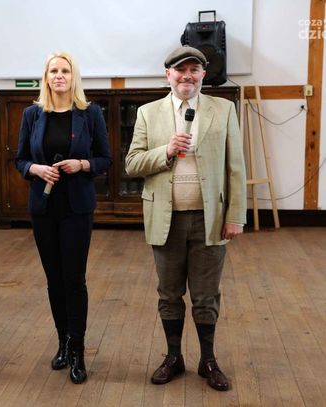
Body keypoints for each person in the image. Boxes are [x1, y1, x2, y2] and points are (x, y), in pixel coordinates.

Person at [125, 46, 246, 391]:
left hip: (211, 218)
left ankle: (208, 360)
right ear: (169, 74)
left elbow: (235, 167)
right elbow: (132, 164)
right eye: (180, 70)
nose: (187, 76)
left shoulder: (224, 109)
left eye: (194, 69)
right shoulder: (148, 113)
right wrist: (166, 150)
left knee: (206, 296)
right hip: (166, 219)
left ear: (203, 74)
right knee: (169, 294)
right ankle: (174, 357)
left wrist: (236, 215)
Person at [15, 52, 111, 384]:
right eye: (53, 70)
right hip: (43, 209)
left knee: (74, 280)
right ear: (45, 77)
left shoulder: (90, 113)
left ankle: (79, 351)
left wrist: (81, 164)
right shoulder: (32, 114)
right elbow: (20, 159)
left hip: (76, 209)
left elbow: (105, 158)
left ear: (74, 77)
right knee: (54, 280)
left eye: (65, 71)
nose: (59, 75)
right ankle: (63, 343)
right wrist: (35, 168)